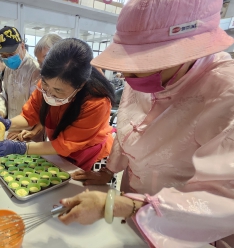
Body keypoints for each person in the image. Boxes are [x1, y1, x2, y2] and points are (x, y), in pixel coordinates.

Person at [57, 1, 234, 247]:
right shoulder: (141, 79)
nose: (126, 77)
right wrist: (109, 172)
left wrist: (119, 205)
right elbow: (128, 130)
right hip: (133, 197)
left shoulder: (226, 93)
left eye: (139, 65)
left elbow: (223, 199)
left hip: (188, 223)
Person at [0, 38, 115, 172]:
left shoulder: (97, 103)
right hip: (61, 153)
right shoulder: (45, 85)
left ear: (80, 86)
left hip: (92, 157)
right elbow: (29, 116)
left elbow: (64, 145)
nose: (48, 93)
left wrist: (20, 148)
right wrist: (6, 123)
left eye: (58, 91)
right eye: (45, 84)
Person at [0, 26, 43, 141]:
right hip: (11, 129)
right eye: (3, 56)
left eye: (11, 55)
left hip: (30, 132)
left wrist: (22, 129)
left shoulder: (35, 69)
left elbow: (37, 107)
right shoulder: (8, 69)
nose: (7, 59)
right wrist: (0, 111)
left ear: (21, 46)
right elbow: (3, 94)